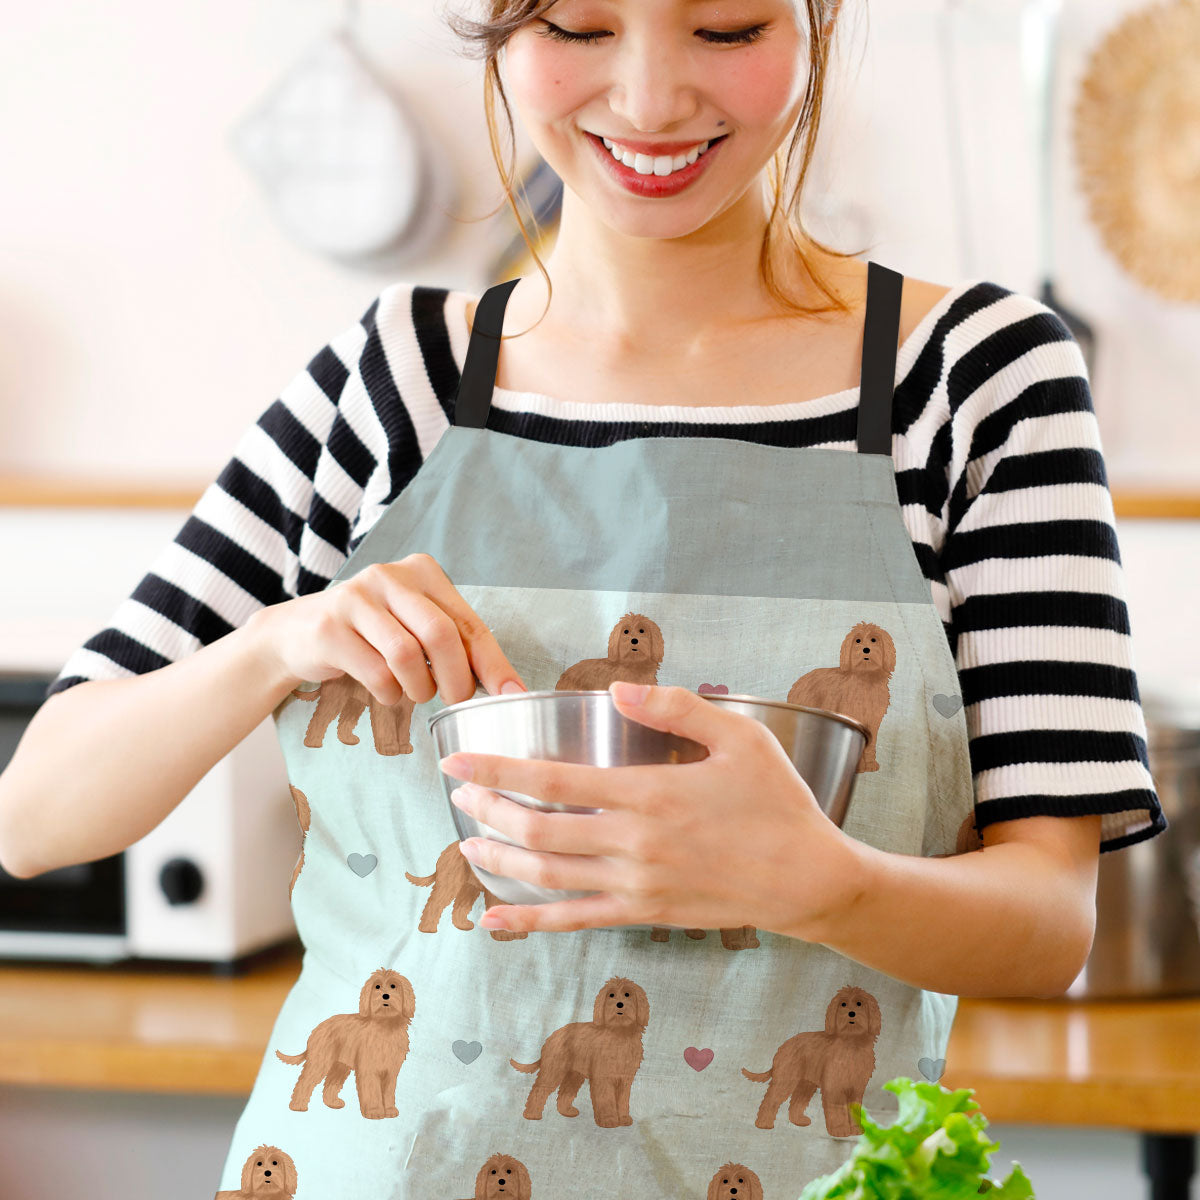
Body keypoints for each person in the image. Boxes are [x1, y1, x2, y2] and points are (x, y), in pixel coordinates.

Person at [0, 0, 1167, 1194]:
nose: (651, 101)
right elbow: (34, 815)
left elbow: (1047, 923)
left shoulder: (975, 382)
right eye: (577, 26)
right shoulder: (396, 381)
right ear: (500, 31)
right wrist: (275, 642)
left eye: (727, 28)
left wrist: (824, 884)